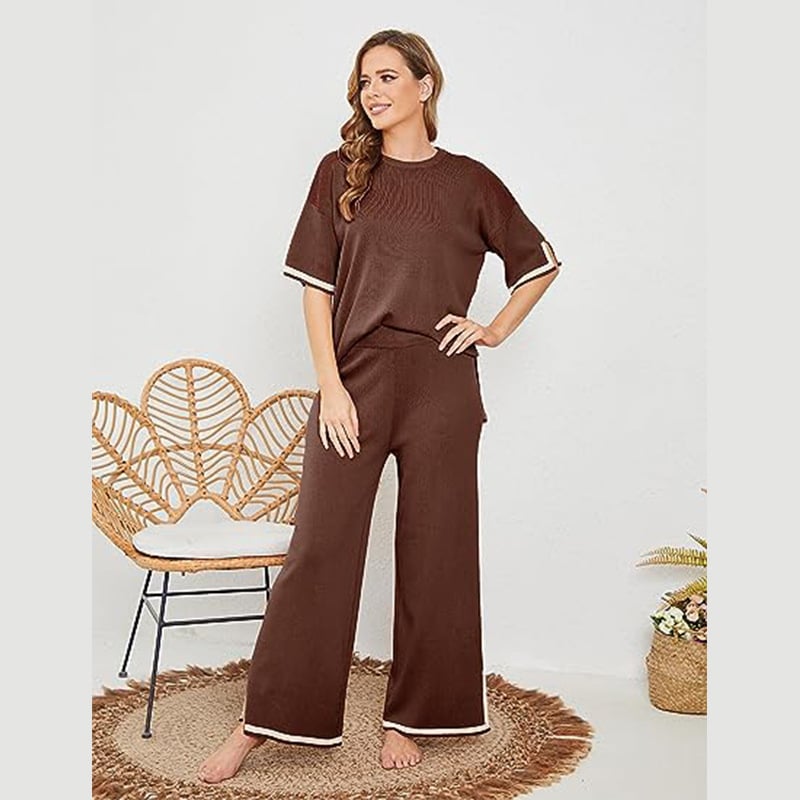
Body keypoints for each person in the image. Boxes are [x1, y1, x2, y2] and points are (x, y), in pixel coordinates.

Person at [198, 28, 560, 783]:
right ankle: (262, 724)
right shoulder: (340, 172)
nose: (374, 92)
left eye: (389, 77)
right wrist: (331, 387)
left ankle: (414, 716)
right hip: (355, 379)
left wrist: (493, 328)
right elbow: (316, 291)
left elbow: (539, 263)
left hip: (441, 385)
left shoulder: (470, 182)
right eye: (365, 81)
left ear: (426, 85)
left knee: (438, 551)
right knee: (320, 549)